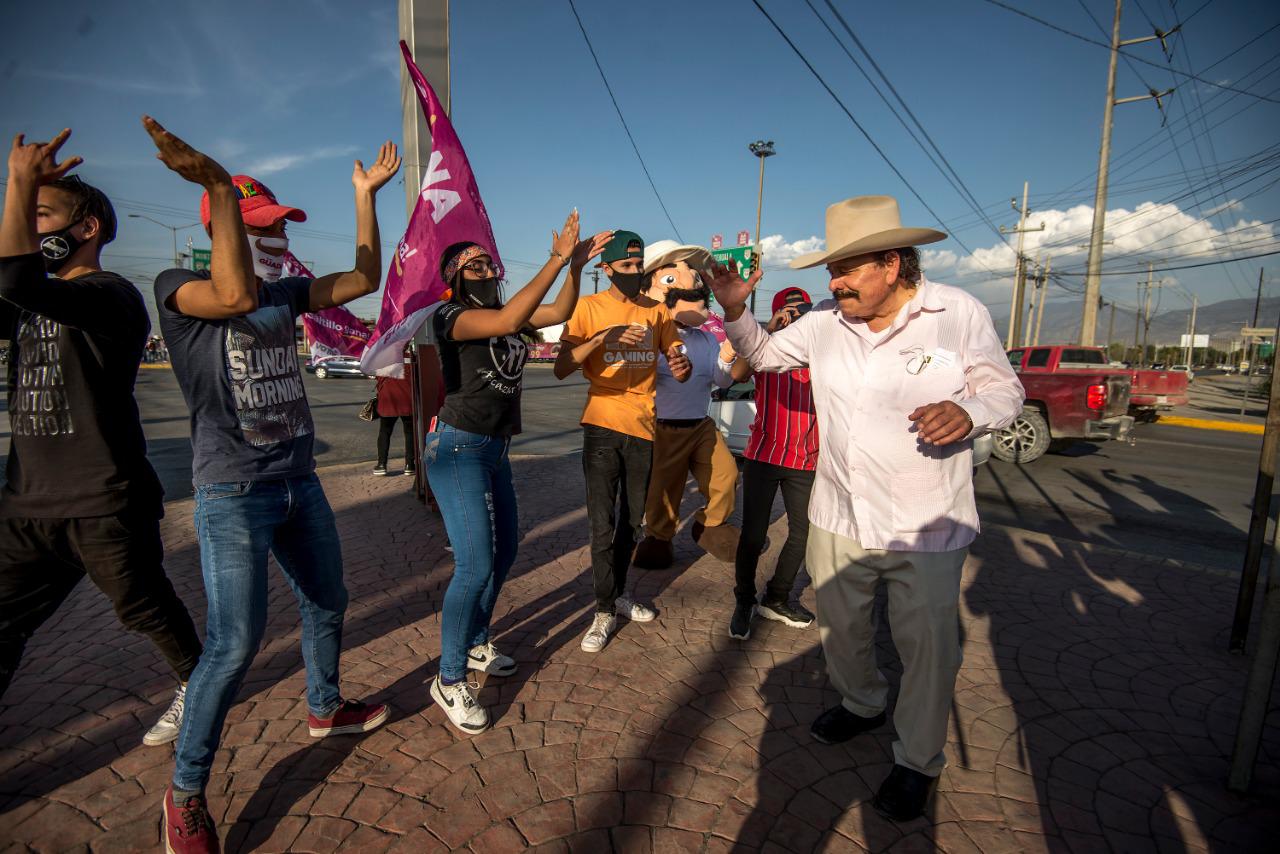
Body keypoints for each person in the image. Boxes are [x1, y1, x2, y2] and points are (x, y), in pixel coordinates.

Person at [708, 195, 1024, 822]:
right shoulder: (825, 321)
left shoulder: (956, 311)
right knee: (842, 630)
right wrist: (737, 309)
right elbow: (767, 358)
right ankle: (862, 703)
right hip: (840, 514)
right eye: (832, 269)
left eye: (847, 268)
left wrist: (970, 413)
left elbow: (1004, 389)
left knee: (929, 648)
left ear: (891, 262)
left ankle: (917, 760)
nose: (834, 282)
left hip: (926, 521)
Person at [143, 116, 400, 853]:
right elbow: (228, 296)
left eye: (282, 224)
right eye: (262, 224)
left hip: (299, 482)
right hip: (232, 493)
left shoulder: (284, 296)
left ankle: (325, 708)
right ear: (225, 227)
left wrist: (363, 198)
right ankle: (186, 792)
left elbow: (360, 279)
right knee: (235, 644)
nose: (279, 237)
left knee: (328, 601)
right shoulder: (180, 288)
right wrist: (220, 188)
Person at [0, 129, 203, 748]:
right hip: (26, 506)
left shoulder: (109, 296)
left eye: (43, 215)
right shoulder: (32, 303)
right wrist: (21, 201)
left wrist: (19, 182)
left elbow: (17, 279)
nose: (32, 230)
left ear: (85, 228)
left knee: (142, 607)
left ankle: (198, 684)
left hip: (102, 501)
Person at [426, 212, 610, 735]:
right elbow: (507, 324)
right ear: (455, 279)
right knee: (475, 566)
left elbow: (556, 309)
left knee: (504, 551)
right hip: (458, 447)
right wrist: (555, 257)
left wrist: (573, 266)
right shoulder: (450, 316)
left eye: (488, 261)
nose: (485, 268)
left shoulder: (512, 310)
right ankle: (448, 677)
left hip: (496, 449)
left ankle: (478, 640)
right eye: (473, 264)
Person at [554, 231, 691, 653]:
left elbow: (678, 366)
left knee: (632, 523)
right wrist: (602, 339)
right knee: (601, 524)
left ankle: (618, 595)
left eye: (639, 266)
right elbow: (561, 367)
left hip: (643, 427)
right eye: (626, 266)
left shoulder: (658, 313)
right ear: (607, 269)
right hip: (601, 423)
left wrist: (681, 365)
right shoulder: (588, 307)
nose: (634, 273)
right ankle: (602, 609)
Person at [631, 241, 740, 570]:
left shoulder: (706, 338)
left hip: (701, 424)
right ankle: (658, 538)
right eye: (670, 280)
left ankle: (709, 525)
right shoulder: (647, 333)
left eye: (692, 278)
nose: (687, 283)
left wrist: (729, 356)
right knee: (665, 491)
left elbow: (720, 382)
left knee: (727, 475)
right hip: (663, 427)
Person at [729, 286, 822, 640]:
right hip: (764, 456)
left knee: (804, 533)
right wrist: (767, 329)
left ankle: (777, 598)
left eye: (803, 310)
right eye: (790, 310)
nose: (796, 316)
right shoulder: (766, 350)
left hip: (807, 459)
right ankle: (744, 600)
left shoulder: (821, 353)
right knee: (752, 536)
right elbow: (737, 374)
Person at [373, 366, 415, 476]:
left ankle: (381, 464)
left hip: (388, 399)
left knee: (384, 432)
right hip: (407, 399)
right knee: (410, 432)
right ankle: (409, 465)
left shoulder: (384, 359)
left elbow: (378, 377)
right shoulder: (409, 357)